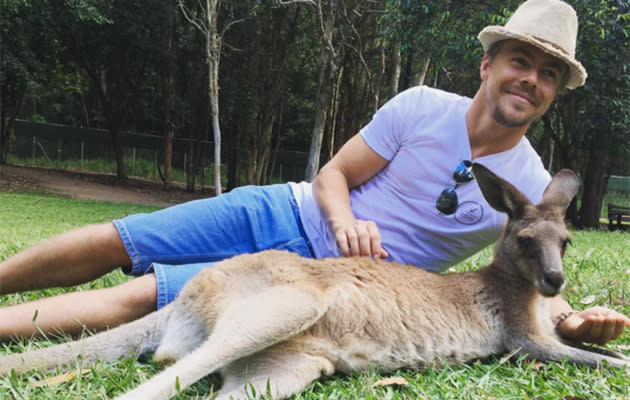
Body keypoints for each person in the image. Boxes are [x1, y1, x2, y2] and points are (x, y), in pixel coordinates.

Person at [0, 0, 628, 346]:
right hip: (289, 211)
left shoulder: (531, 180)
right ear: (488, 64)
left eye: (549, 74)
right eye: (521, 61)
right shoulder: (419, 107)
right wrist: (345, 218)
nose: (532, 80)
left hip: (343, 282)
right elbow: (335, 173)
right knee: (124, 239)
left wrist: (568, 317)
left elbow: (530, 261)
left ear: (555, 92)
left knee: (152, 293)